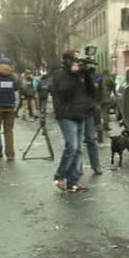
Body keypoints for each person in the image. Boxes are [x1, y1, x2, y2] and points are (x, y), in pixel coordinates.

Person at [52, 50, 96, 191]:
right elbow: (65, 91)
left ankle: (73, 182)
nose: (78, 62)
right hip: (66, 114)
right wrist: (73, 73)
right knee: (73, 147)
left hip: (81, 113)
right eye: (75, 59)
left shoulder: (81, 75)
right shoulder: (60, 74)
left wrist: (87, 74)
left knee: (78, 150)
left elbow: (92, 92)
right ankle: (59, 176)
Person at [83, 67, 102, 175]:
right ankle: (76, 168)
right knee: (74, 144)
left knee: (91, 139)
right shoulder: (71, 78)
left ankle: (95, 165)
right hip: (74, 113)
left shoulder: (91, 78)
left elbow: (96, 91)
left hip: (88, 111)